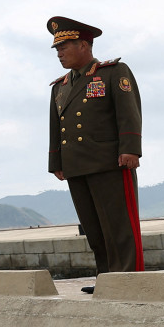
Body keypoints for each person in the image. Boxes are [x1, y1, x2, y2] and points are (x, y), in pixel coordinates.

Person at [47, 16, 143, 290]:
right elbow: (56, 127)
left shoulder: (113, 72)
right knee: (94, 227)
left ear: (85, 46)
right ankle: (107, 278)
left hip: (109, 161)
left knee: (119, 225)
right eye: (57, 49)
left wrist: (130, 149)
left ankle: (128, 279)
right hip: (76, 165)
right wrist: (56, 162)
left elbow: (129, 112)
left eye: (64, 47)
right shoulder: (60, 86)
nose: (59, 53)